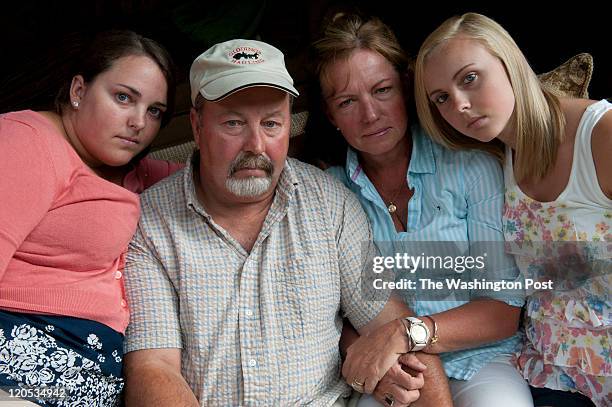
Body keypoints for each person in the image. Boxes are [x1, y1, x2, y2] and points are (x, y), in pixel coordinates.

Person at [121, 38, 434, 406]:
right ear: (197, 125)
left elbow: (394, 333)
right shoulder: (150, 223)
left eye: (271, 123)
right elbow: (154, 368)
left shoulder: (332, 206)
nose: (255, 144)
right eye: (234, 123)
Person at [306, 12, 533, 407]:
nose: (370, 113)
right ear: (331, 116)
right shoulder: (330, 192)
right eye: (347, 101)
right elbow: (331, 313)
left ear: (406, 88)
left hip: (482, 361)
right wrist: (365, 355)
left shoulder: (470, 167)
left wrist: (407, 333)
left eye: (382, 90)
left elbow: (503, 311)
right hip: (394, 370)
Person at [414, 12, 611, 407]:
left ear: (509, 61)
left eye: (469, 78)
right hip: (550, 375)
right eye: (442, 99)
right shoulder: (495, 156)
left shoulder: (599, 134)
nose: (460, 106)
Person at [0, 30, 180, 406]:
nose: (138, 122)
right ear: (78, 91)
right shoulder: (27, 141)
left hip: (89, 378)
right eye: (123, 98)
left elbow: (207, 176)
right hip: (19, 358)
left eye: (154, 111)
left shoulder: (137, 173)